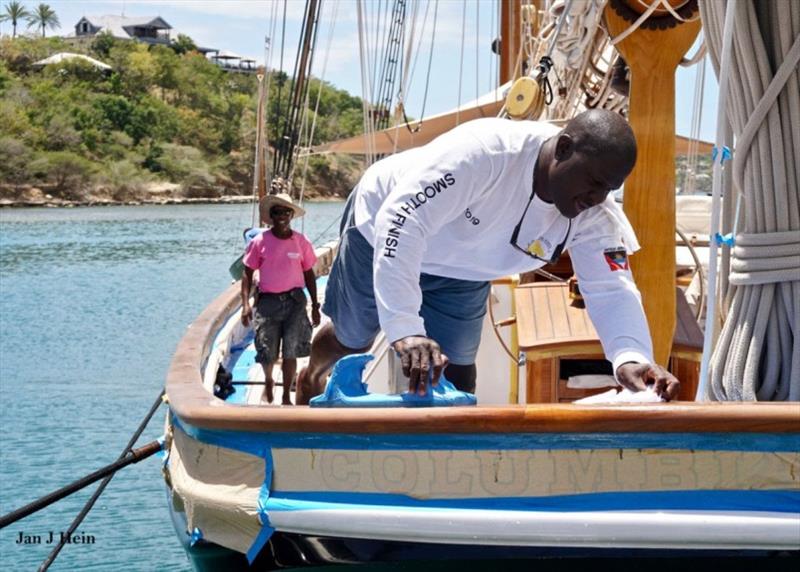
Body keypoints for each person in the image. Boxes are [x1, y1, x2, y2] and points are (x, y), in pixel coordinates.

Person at [297, 109, 679, 404]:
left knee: (458, 368)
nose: (597, 199)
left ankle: (451, 467)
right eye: (594, 183)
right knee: (354, 338)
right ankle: (310, 375)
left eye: (608, 189)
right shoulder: (486, 154)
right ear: (563, 149)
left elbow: (611, 288)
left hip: (464, 268)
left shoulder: (595, 212)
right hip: (382, 227)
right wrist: (406, 329)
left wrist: (631, 357)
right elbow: (403, 221)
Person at [241, 193, 321, 405]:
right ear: (272, 216)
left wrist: (314, 305)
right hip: (268, 302)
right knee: (267, 349)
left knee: (291, 350)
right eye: (277, 212)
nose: (282, 216)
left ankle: (286, 395)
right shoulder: (259, 242)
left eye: (286, 212)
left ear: (292, 215)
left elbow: (309, 274)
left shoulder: (301, 242)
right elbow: (247, 274)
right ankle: (268, 380)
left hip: (295, 302)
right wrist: (245, 306)